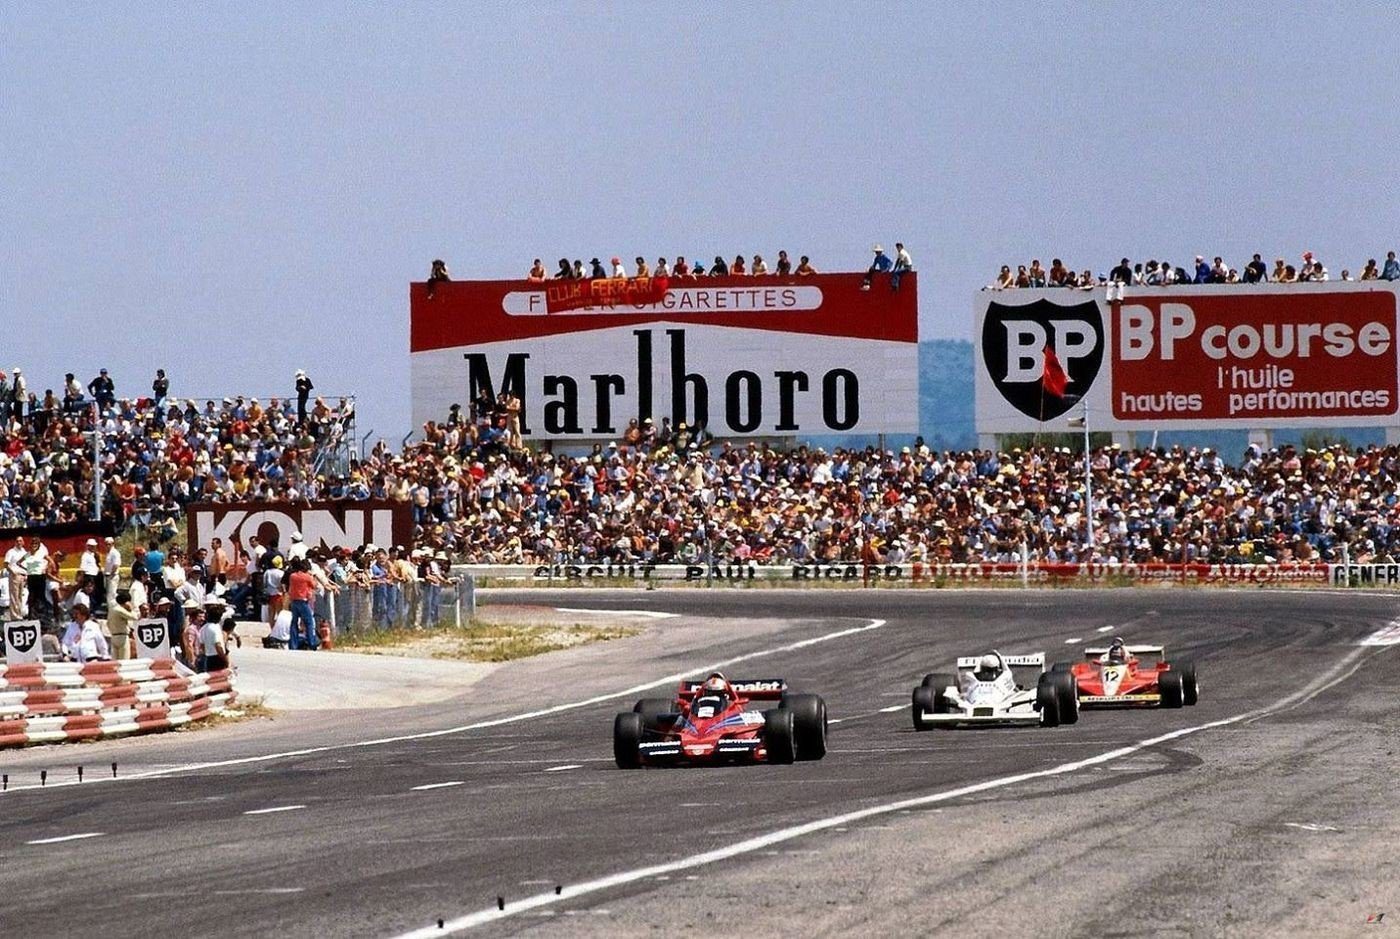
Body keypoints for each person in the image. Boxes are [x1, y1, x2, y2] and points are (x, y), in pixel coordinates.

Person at [286, 558, 318, 651]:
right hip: (303, 601)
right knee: (309, 622)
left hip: (294, 601)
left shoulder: (292, 576)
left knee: (294, 623)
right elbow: (314, 585)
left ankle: (293, 644)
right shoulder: (306, 577)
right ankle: (311, 643)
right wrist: (312, 576)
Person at [106, 589, 139, 660]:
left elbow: (108, 623)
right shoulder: (120, 610)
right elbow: (135, 617)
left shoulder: (112, 609)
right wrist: (131, 609)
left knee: (115, 662)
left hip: (113, 636)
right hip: (122, 637)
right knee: (124, 661)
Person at [4, 536, 28, 619]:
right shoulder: (11, 552)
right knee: (14, 596)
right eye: (17, 541)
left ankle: (19, 614)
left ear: (23, 542)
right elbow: (6, 564)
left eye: (21, 541)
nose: (19, 542)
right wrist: (13, 572)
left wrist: (26, 575)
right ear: (15, 542)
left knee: (20, 597)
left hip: (23, 576)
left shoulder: (24, 552)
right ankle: (15, 617)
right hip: (15, 575)